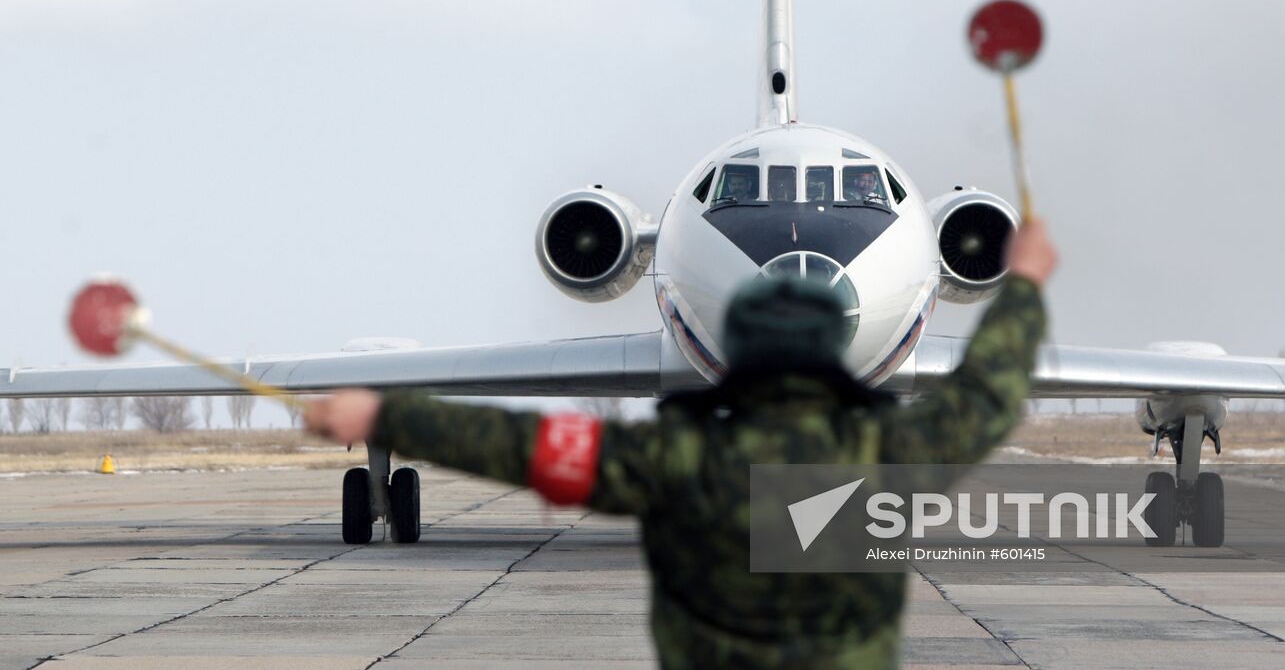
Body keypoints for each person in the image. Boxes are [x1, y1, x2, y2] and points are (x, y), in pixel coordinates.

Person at [306, 220, 1057, 670]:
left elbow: (523, 445)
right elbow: (986, 392)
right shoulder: (893, 450)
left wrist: (388, 413)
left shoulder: (676, 458)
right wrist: (1021, 284)